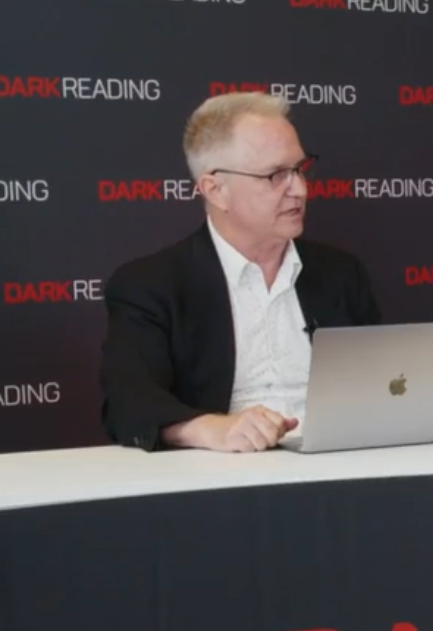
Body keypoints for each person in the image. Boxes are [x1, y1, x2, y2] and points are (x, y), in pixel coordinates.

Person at [100, 93, 381, 452]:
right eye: (276, 175)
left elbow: (380, 387)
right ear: (216, 190)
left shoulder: (341, 274)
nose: (299, 189)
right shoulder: (151, 285)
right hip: (225, 485)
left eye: (299, 169)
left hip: (340, 473)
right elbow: (129, 403)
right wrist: (208, 429)